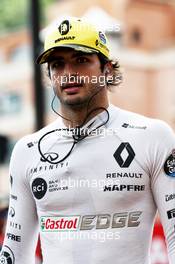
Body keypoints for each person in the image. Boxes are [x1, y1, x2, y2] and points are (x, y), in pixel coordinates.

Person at [0, 17, 175, 264]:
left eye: (81, 60)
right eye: (57, 64)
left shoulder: (152, 136)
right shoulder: (27, 151)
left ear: (107, 69)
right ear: (49, 75)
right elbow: (14, 253)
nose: (68, 73)